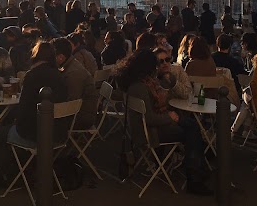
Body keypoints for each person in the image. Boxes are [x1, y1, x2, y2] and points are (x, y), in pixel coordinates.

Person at [115, 49, 212, 196]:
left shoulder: (136, 83)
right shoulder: (141, 87)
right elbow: (150, 118)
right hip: (150, 133)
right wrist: (170, 117)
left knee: (190, 126)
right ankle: (194, 176)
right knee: (191, 130)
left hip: (144, 129)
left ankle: (197, 167)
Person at [13, 41, 67, 142]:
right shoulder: (60, 75)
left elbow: (23, 105)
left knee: (1, 132)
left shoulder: (32, 75)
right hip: (59, 131)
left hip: (34, 131)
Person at [53, 37, 98, 129]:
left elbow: (71, 102)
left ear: (61, 57)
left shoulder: (73, 73)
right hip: (82, 111)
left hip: (81, 116)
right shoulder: (71, 64)